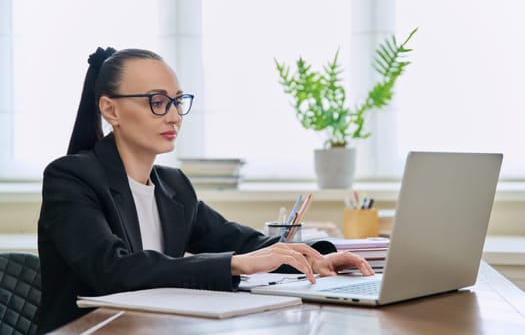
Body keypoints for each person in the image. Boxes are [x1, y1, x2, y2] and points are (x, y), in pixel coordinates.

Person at [37, 47, 374, 333]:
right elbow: (112, 270)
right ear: (111, 110)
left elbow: (240, 242)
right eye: (157, 101)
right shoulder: (70, 178)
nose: (173, 117)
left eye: (177, 101)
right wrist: (235, 264)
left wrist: (315, 258)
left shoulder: (174, 185)